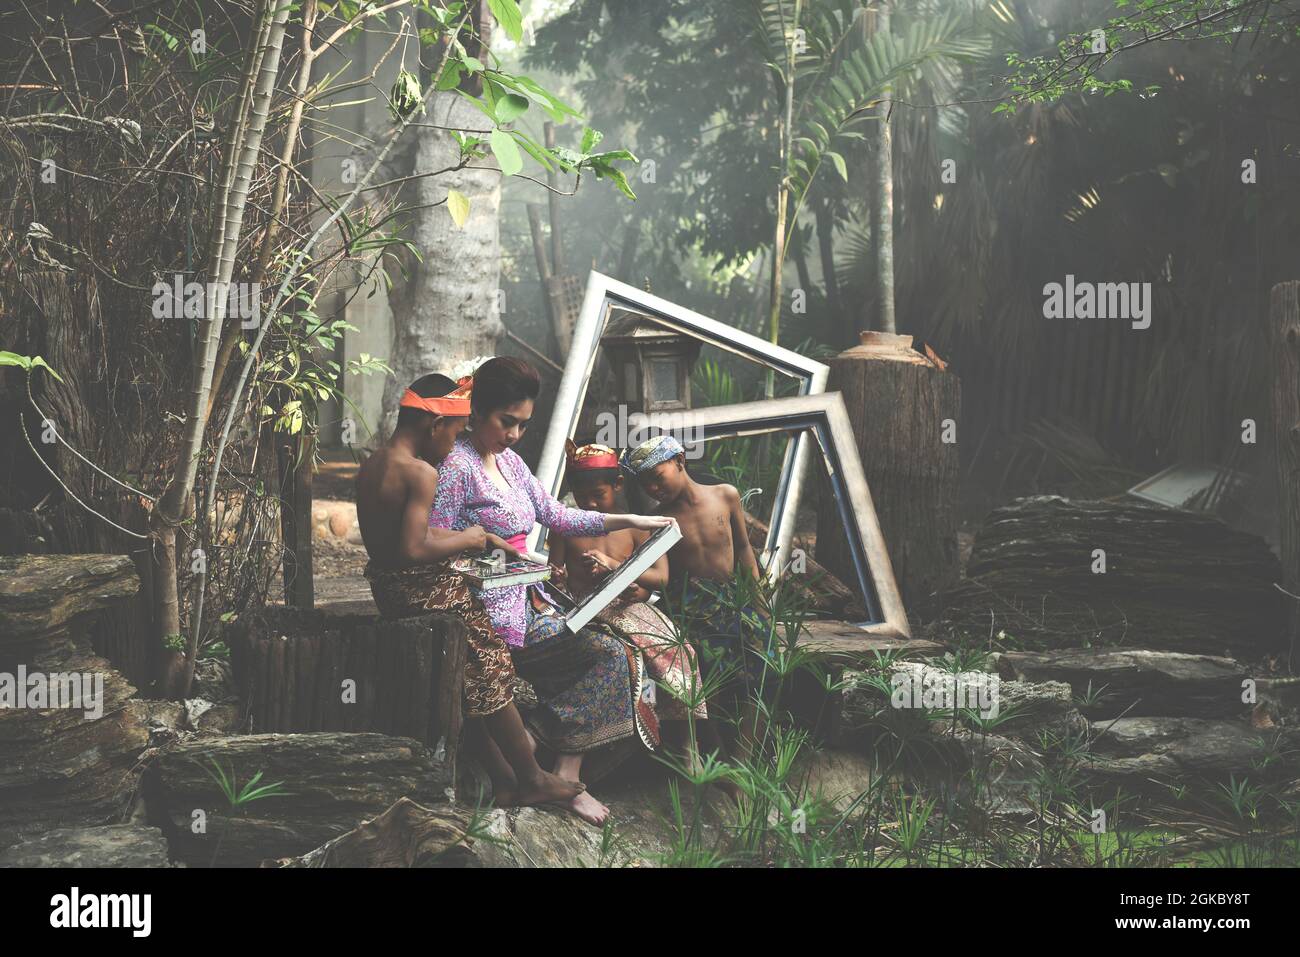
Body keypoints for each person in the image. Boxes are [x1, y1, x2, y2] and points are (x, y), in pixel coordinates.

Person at [429, 357, 672, 826]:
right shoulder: (456, 468)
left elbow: (560, 516)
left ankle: (553, 765)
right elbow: (436, 541)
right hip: (484, 613)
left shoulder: (512, 464)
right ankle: (537, 772)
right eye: (507, 422)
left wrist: (634, 519)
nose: (515, 434)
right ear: (476, 411)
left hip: (530, 602)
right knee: (605, 654)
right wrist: (494, 563)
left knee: (614, 654)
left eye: (523, 424)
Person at [355, 372, 583, 811]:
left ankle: (505, 780)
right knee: (492, 666)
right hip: (429, 590)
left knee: (473, 674)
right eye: (456, 431)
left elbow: (404, 537)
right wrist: (471, 539)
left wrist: (484, 539)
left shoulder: (375, 463)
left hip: (391, 589)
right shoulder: (422, 472)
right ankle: (533, 777)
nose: (455, 443)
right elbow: (413, 547)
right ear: (435, 425)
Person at [548, 441, 711, 762]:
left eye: (599, 494)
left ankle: (685, 742)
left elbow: (659, 577)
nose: (591, 504)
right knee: (622, 660)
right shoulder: (566, 527)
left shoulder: (636, 526)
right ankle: (622, 741)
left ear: (618, 485)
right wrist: (558, 576)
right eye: (583, 497)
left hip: (629, 609)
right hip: (585, 610)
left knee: (679, 651)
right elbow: (556, 572)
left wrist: (621, 574)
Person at [620, 433, 769, 757]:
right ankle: (714, 759)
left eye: (657, 478)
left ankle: (743, 762)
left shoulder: (725, 495)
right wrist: (640, 589)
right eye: (646, 485)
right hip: (691, 609)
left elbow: (743, 549)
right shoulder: (659, 522)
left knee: (759, 678)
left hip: (735, 602)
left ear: (679, 461)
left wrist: (760, 603)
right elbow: (659, 575)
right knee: (705, 687)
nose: (653, 489)